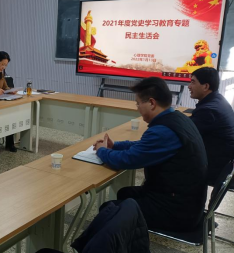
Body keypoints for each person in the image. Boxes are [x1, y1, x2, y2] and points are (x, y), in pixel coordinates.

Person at [94, 77, 207, 232]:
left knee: (109, 209)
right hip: (182, 199)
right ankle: (130, 236)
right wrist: (115, 146)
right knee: (125, 193)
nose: (137, 108)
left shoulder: (163, 131)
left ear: (152, 103)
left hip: (177, 211)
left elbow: (127, 160)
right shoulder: (176, 118)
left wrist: (102, 150)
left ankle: (125, 240)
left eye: (138, 103)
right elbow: (144, 146)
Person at [189, 67, 234, 200]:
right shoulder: (218, 100)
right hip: (225, 164)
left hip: (215, 167)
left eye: (193, 82)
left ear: (206, 86)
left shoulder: (209, 110)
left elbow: (185, 132)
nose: (189, 86)